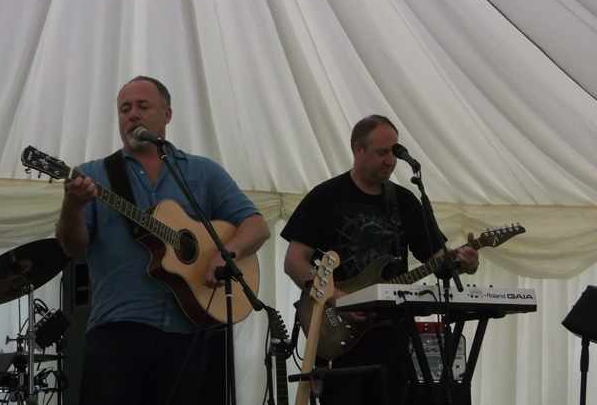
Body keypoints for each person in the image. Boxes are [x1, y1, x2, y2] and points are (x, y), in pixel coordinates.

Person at [55, 76, 270, 405]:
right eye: (124, 109)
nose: (132, 115)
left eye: (143, 106)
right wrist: (72, 205)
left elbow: (256, 225)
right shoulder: (94, 175)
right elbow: (71, 246)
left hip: (187, 333)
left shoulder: (203, 172)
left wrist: (225, 254)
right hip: (117, 330)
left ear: (166, 115)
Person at [282, 115, 479, 404]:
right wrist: (336, 297)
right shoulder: (326, 197)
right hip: (336, 333)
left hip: (392, 338)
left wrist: (466, 262)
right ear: (357, 150)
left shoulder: (405, 201)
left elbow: (438, 259)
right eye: (382, 152)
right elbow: (294, 261)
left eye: (394, 152)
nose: (390, 160)